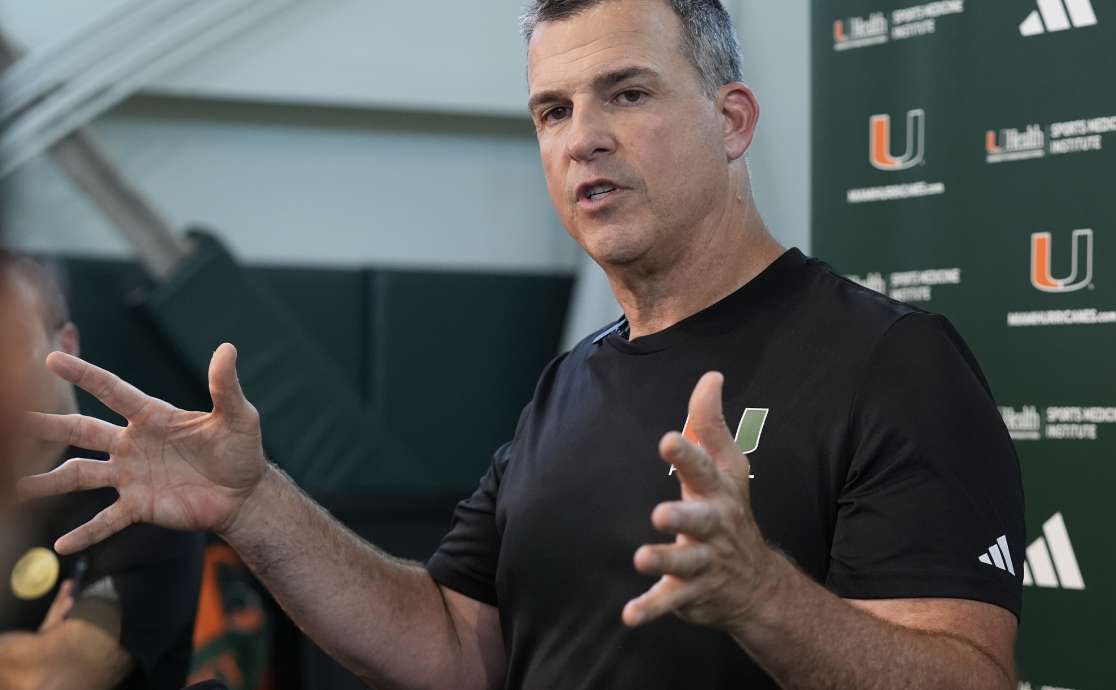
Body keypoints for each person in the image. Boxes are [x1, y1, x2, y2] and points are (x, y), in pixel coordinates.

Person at [19, 1, 1025, 688]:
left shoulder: (890, 361)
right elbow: (452, 646)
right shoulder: (570, 386)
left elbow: (968, 678)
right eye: (554, 110)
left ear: (732, 120)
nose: (582, 136)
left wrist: (762, 597)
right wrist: (256, 505)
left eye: (625, 94)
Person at [0, 251, 204, 690]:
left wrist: (35, 664)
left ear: (67, 347)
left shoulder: (140, 501)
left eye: (9, 342)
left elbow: (55, 677)